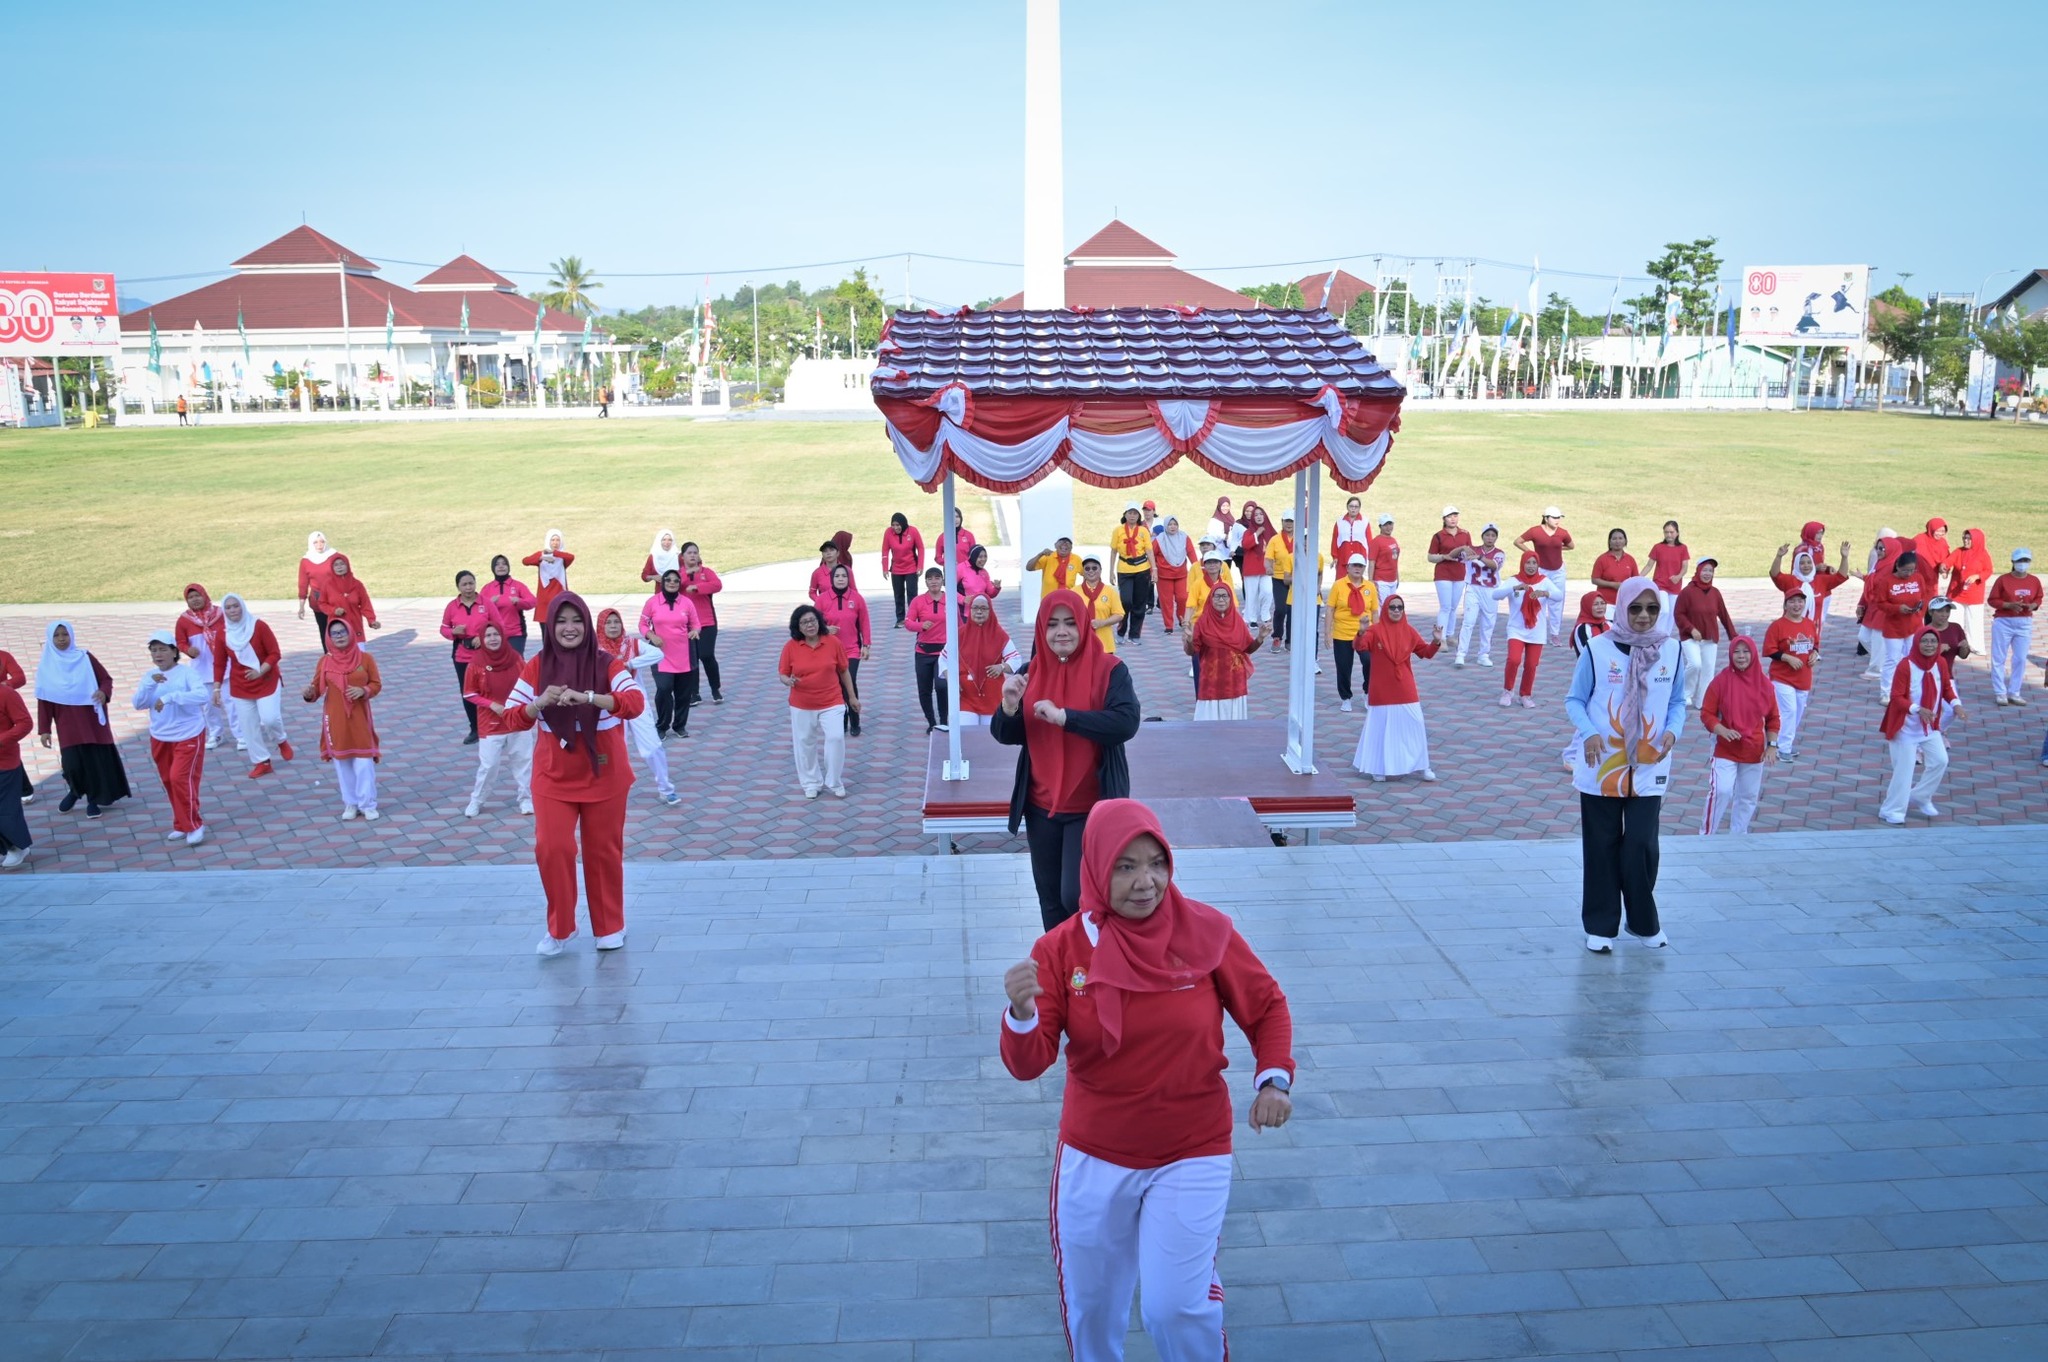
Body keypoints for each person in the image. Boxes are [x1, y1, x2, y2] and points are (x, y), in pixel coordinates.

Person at [998, 800, 1293, 1362]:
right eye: (1125, 866)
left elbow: (1266, 1006)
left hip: (1192, 1148)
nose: (1146, 881)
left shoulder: (1207, 931)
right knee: (1092, 1308)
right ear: (1095, 868)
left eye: (1156, 863)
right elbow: (1029, 1063)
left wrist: (1273, 1080)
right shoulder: (1060, 950)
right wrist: (1021, 1015)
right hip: (1094, 1153)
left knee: (1174, 1307)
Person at [504, 593, 647, 954]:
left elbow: (634, 703)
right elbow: (510, 716)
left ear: (588, 625)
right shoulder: (536, 666)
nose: (570, 628)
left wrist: (589, 698)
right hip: (553, 777)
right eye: (562, 621)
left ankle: (610, 926)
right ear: (550, 626)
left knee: (602, 851)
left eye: (577, 621)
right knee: (552, 847)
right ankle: (561, 928)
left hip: (605, 774)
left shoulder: (608, 664)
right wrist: (539, 703)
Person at [991, 589, 1142, 931]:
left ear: (1085, 626)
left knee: (1076, 895)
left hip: (1091, 806)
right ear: (1041, 630)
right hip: (1041, 806)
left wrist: (1066, 719)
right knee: (1049, 898)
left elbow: (1126, 722)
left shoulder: (1110, 670)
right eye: (1053, 624)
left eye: (1071, 623)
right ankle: (1062, 972)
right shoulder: (1030, 671)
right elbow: (1006, 734)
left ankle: (1092, 966)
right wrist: (1010, 705)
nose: (1062, 631)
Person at [1566, 578, 1686, 952]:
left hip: (1650, 762)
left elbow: (1678, 702)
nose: (1643, 616)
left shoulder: (1673, 651)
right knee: (1601, 845)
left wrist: (1673, 731)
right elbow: (1574, 700)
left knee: (1641, 844)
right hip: (1603, 763)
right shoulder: (1596, 650)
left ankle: (1643, 922)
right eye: (1635, 608)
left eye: (1651, 609)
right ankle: (1601, 926)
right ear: (1622, 608)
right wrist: (1588, 732)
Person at [34, 621, 130, 818]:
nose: (62, 639)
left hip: (91, 720)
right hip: (67, 724)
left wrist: (103, 692)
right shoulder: (47, 666)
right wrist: (45, 729)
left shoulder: (84, 658)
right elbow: (44, 699)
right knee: (72, 764)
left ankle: (92, 800)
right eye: (57, 635)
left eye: (65, 634)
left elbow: (106, 679)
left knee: (94, 761)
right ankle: (75, 791)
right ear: (50, 639)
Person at [133, 630, 212, 846]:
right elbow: (138, 703)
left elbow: (202, 696)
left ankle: (194, 825)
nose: (158, 654)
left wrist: (171, 697)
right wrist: (151, 684)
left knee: (180, 778)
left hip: (188, 734)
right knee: (169, 781)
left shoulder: (187, 674)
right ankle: (181, 824)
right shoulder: (150, 676)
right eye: (154, 650)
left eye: (163, 649)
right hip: (160, 736)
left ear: (174, 651)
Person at [1351, 593, 1441, 782]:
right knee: (1381, 728)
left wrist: (1436, 641)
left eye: (1400, 607)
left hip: (1405, 687)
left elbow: (1425, 653)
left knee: (1415, 724)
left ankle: (1422, 766)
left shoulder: (1409, 630)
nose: (1396, 611)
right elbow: (1360, 647)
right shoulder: (1374, 630)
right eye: (1392, 607)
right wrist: (1361, 632)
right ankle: (1378, 767)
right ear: (1386, 609)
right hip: (1382, 688)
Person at [596, 608, 681, 806]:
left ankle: (665, 788)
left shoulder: (631, 644)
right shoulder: (594, 648)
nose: (613, 626)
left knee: (652, 747)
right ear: (601, 626)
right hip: (609, 704)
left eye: (616, 622)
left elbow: (657, 654)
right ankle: (613, 788)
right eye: (608, 623)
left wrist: (630, 663)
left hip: (635, 701)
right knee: (615, 748)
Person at [303, 616, 384, 820]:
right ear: (328, 637)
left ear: (350, 632)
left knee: (364, 761)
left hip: (360, 717)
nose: (339, 636)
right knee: (342, 761)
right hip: (336, 718)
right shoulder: (326, 661)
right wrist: (308, 693)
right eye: (334, 633)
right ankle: (351, 803)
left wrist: (363, 690)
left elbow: (376, 684)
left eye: (343, 632)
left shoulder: (365, 659)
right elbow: (316, 689)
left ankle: (368, 804)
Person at [1879, 627, 1961, 825]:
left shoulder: (1940, 662)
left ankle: (1921, 795)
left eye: (1933, 641)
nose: (1929, 645)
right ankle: (1891, 810)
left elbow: (1947, 689)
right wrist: (1917, 709)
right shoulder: (1905, 665)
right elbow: (1896, 697)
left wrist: (1957, 705)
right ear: (1917, 642)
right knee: (1904, 771)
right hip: (1905, 728)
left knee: (1940, 761)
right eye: (1925, 641)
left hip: (1929, 727)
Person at [1699, 635, 1778, 836]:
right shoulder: (1721, 681)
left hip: (1754, 751)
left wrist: (1772, 745)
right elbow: (1706, 713)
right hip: (1725, 749)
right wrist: (1721, 730)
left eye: (1745, 651)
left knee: (1748, 796)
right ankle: (1706, 835)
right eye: (1736, 651)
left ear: (1753, 654)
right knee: (1721, 791)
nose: (1741, 656)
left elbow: (1773, 717)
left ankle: (1738, 836)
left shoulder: (1765, 684)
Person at [779, 603, 858, 799]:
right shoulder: (791, 647)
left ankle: (834, 780)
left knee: (836, 737)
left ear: (819, 621)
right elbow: (783, 673)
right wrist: (788, 681)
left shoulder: (832, 642)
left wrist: (852, 697)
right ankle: (811, 782)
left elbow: (843, 670)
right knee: (805, 743)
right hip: (802, 704)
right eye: (804, 622)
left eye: (812, 620)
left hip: (832, 700)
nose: (809, 625)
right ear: (797, 627)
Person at [460, 620, 535, 818]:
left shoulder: (516, 658)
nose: (493, 639)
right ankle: (476, 800)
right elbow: (469, 693)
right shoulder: (476, 663)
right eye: (488, 636)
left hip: (517, 719)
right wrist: (492, 705)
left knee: (523, 760)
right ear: (482, 639)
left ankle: (526, 799)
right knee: (489, 765)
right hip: (490, 723)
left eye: (496, 635)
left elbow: (528, 683)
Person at [214, 594, 291, 777]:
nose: (233, 611)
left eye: (236, 606)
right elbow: (219, 662)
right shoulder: (222, 633)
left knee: (270, 718)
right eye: (228, 608)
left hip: (266, 680)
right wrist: (216, 688)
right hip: (241, 686)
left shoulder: (259, 626)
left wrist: (260, 671)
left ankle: (281, 740)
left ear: (242, 606)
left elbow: (274, 653)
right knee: (249, 726)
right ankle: (262, 761)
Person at [1185, 581, 1267, 720]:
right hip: (1211, 682)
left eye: (1225, 596)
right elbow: (1192, 652)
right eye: (1217, 596)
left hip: (1234, 682)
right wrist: (1189, 640)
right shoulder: (1203, 622)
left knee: (1234, 728)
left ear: (1231, 599)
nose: (1221, 600)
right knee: (1208, 727)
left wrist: (1260, 638)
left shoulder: (1238, 621)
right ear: (1211, 599)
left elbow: (1248, 648)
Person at [637, 568, 702, 739]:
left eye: (675, 580)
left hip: (685, 655)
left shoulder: (687, 603)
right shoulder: (652, 602)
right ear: (663, 583)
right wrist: (652, 635)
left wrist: (695, 631)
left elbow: (696, 623)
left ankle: (680, 725)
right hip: (660, 656)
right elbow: (642, 625)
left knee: (683, 694)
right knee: (664, 689)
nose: (672, 583)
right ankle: (662, 725)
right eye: (668, 580)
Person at [174, 584, 235, 750]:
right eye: (190, 597)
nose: (195, 600)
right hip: (202, 669)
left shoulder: (221, 614)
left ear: (205, 595)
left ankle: (241, 734)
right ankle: (216, 733)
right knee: (208, 705)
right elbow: (180, 641)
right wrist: (188, 650)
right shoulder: (184, 620)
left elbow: (234, 630)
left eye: (197, 595)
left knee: (232, 702)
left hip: (226, 666)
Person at [1494, 552, 1559, 708]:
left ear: (1538, 565)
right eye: (1528, 563)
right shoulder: (1514, 580)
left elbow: (1559, 595)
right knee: (1514, 660)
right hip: (1516, 630)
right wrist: (1514, 588)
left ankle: (1525, 695)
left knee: (1531, 664)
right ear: (1522, 564)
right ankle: (1508, 691)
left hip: (1536, 631)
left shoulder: (1544, 581)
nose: (1531, 566)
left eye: (1534, 563)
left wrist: (1545, 593)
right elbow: (1495, 595)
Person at [1762, 592, 1821, 763]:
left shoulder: (1809, 624)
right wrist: (1787, 658)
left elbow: (1815, 644)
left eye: (1800, 601)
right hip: (1782, 677)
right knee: (1789, 711)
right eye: (1792, 602)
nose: (1797, 605)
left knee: (1797, 713)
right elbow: (1769, 650)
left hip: (1803, 678)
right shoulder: (1778, 626)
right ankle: (1782, 748)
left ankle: (1782, 743)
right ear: (1786, 605)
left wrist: (1815, 654)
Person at [816, 563, 872, 736]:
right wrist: (825, 630)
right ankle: (842, 719)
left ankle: (855, 718)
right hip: (829, 651)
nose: (841, 579)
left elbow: (864, 622)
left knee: (850, 680)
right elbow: (813, 624)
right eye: (837, 576)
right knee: (837, 684)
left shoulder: (857, 598)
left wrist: (866, 645)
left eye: (844, 576)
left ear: (849, 579)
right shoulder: (822, 599)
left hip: (851, 649)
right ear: (832, 579)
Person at [1674, 558, 1736, 709]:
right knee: (1695, 664)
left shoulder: (1715, 593)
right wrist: (1691, 629)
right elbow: (1678, 614)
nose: (1707, 574)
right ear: (1698, 571)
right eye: (1705, 570)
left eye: (1710, 571)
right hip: (1690, 638)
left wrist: (1734, 637)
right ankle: (1685, 694)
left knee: (1708, 670)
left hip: (1710, 638)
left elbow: (1724, 615)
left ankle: (1703, 701)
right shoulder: (1687, 592)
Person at [1322, 553, 1379, 713]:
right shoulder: (1338, 585)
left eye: (1360, 566)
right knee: (1344, 667)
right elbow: (1330, 608)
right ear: (1347, 567)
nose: (1357, 569)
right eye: (1354, 565)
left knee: (1370, 662)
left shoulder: (1370, 587)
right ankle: (1346, 697)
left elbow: (1374, 612)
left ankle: (1367, 692)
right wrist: (1327, 633)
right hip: (1342, 633)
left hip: (1364, 634)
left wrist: (1378, 633)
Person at [440, 570, 493, 743]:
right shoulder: (452, 607)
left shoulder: (486, 603)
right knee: (468, 693)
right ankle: (475, 728)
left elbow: (499, 624)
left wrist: (484, 637)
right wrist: (453, 632)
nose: (468, 587)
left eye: (471, 583)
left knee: (488, 689)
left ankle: (491, 725)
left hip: (484, 655)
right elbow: (443, 628)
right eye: (464, 584)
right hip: (462, 656)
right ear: (458, 587)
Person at [1770, 541, 1855, 642]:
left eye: (1809, 562)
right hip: (1790, 630)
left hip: (1812, 632)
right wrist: (1778, 557)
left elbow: (1841, 576)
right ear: (1796, 565)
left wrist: (1844, 558)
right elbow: (1775, 574)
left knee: (1811, 656)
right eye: (1802, 563)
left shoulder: (1821, 581)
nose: (1806, 565)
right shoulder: (1789, 581)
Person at [955, 593, 1020, 726]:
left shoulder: (999, 634)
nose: (979, 611)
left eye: (984, 608)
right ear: (970, 610)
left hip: (992, 696)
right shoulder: (959, 634)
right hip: (966, 696)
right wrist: (952, 680)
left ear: (990, 611)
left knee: (990, 736)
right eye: (975, 608)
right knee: (966, 733)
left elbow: (1015, 659)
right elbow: (944, 660)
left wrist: (1001, 667)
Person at [1869, 551, 1929, 690]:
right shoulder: (1887, 581)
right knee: (1892, 659)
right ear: (1898, 566)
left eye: (1912, 570)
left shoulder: (1918, 578)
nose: (1909, 574)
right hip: (1894, 628)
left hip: (1914, 626)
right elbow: (1880, 603)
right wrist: (1897, 608)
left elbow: (1924, 597)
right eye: (1905, 570)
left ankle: (1911, 688)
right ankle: (1886, 691)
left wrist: (1920, 611)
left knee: (1913, 658)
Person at [1988, 548, 2040, 706]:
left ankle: (2015, 692)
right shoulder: (2003, 580)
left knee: (2020, 658)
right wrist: (2008, 605)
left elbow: (2038, 598)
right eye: (2019, 561)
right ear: (2012, 562)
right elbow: (1992, 600)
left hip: (2024, 623)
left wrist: (2033, 605)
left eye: (2025, 561)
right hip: (2004, 621)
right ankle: (2000, 692)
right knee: (1999, 657)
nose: (2022, 564)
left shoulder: (2034, 581)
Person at [1515, 507, 1574, 642]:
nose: (1557, 520)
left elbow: (1571, 546)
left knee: (1557, 600)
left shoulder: (1563, 533)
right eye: (1554, 518)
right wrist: (1531, 554)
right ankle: (1534, 629)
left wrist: (1558, 547)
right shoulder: (1535, 531)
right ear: (1546, 518)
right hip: (1541, 569)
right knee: (1536, 599)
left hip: (1558, 571)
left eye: (1559, 518)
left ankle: (1555, 633)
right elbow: (1518, 541)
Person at [904, 567, 951, 732]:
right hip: (923, 653)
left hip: (944, 654)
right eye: (930, 578)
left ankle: (944, 721)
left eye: (937, 578)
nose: (934, 581)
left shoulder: (950, 598)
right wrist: (920, 625)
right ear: (925, 582)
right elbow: (908, 622)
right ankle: (931, 722)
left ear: (942, 580)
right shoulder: (918, 601)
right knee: (924, 690)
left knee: (942, 686)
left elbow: (961, 617)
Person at [678, 542, 725, 705]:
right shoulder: (678, 574)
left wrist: (697, 587)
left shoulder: (707, 572)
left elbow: (717, 585)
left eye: (695, 553)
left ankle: (715, 689)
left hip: (707, 622)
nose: (692, 555)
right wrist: (687, 574)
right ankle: (694, 693)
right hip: (687, 624)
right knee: (692, 658)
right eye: (689, 553)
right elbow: (673, 586)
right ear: (682, 556)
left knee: (706, 655)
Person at [1455, 523, 1506, 667]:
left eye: (1493, 535)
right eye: (1487, 535)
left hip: (1490, 591)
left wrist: (1479, 557)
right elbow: (1456, 557)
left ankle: (1483, 654)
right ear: (1482, 536)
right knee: (1468, 622)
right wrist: (1462, 549)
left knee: (1488, 624)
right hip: (1473, 588)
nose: (1490, 538)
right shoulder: (1473, 550)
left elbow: (1494, 566)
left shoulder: (1499, 553)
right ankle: (1461, 654)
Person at [307, 554, 379, 649]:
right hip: (337, 626)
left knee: (359, 656)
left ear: (347, 565)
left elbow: (366, 604)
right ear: (332, 568)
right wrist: (334, 610)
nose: (339, 567)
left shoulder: (357, 585)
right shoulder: (327, 585)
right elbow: (322, 603)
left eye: (342, 564)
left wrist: (371, 620)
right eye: (336, 565)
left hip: (355, 625)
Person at [1945, 528, 1994, 654]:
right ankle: (1954, 644)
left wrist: (1977, 576)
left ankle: (1975, 646)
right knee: (1954, 620)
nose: (1966, 541)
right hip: (1956, 593)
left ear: (1976, 540)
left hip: (1974, 594)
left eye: (1969, 538)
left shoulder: (1983, 554)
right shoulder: (1958, 551)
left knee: (1975, 621)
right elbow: (1948, 562)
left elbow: (1988, 570)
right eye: (1964, 538)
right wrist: (1944, 567)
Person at [1427, 505, 1473, 640]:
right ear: (1444, 519)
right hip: (1443, 574)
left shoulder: (1465, 534)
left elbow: (1470, 552)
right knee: (1445, 607)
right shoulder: (1439, 536)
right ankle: (1441, 638)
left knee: (1454, 606)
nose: (1453, 519)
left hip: (1459, 573)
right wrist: (1443, 557)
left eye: (1455, 516)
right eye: (1449, 516)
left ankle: (1450, 634)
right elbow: (1430, 556)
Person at [1113, 503, 1156, 640]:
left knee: (1139, 603)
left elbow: (1149, 550)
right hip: (1124, 569)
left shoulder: (1143, 531)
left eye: (1135, 513)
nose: (1132, 516)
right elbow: (1113, 551)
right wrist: (1110, 571)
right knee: (1125, 601)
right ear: (1125, 514)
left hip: (1142, 568)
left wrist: (1153, 569)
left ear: (1139, 516)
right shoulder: (1118, 530)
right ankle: (1121, 630)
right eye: (1130, 513)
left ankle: (1135, 634)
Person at [0, 677, 31, 868]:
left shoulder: (6, 694)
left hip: (4, 762)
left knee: (5, 810)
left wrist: (1, 740)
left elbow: (25, 723)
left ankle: (16, 847)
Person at [480, 555, 537, 656]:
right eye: (497, 564)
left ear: (508, 567)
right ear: (493, 568)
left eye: (504, 564)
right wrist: (489, 604)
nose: (501, 566)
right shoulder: (487, 588)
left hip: (516, 633)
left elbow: (533, 601)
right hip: (494, 634)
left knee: (516, 663)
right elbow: (479, 611)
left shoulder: (518, 585)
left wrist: (519, 602)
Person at [1234, 501, 1275, 629]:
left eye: (1260, 514)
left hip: (1266, 568)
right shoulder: (1249, 532)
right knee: (1252, 594)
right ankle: (1251, 618)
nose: (1258, 517)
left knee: (1267, 591)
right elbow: (1246, 545)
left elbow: (1276, 546)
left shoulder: (1271, 531)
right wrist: (1257, 533)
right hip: (1251, 567)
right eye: (1255, 515)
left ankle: (1265, 614)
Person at [882, 512, 925, 625]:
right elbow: (885, 550)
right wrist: (885, 568)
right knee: (898, 594)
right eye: (893, 525)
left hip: (911, 568)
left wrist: (920, 566)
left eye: (898, 525)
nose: (896, 528)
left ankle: (912, 618)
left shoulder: (913, 531)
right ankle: (900, 619)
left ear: (903, 524)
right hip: (896, 569)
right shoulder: (888, 533)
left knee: (912, 594)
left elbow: (921, 548)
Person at [1152, 516, 1193, 634]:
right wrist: (1153, 570)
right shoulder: (1159, 540)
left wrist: (1197, 568)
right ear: (1165, 526)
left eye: (1175, 524)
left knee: (1183, 598)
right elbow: (1151, 555)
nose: (1173, 527)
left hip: (1181, 574)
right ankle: (1168, 625)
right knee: (1166, 602)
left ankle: (1181, 619)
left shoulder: (1184, 537)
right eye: (1170, 524)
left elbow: (1191, 553)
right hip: (1164, 576)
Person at [522, 530, 574, 621]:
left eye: (558, 540)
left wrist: (553, 553)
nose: (555, 543)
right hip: (544, 600)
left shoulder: (562, 557)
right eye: (552, 540)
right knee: (545, 632)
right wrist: (542, 557)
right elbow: (525, 561)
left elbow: (571, 557)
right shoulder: (541, 555)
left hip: (560, 598)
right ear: (548, 541)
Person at [1078, 556, 1125, 654]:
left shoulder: (1110, 591)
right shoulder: (1074, 592)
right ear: (1083, 572)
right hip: (1080, 643)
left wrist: (1102, 623)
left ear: (1100, 570)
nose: (1091, 571)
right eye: (1087, 568)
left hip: (1104, 643)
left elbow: (1119, 614)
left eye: (1094, 568)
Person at [1645, 521, 1689, 614]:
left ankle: (1666, 629)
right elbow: (1649, 565)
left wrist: (1678, 576)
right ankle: (1659, 629)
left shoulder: (1683, 548)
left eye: (1671, 532)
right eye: (1666, 532)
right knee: (1664, 611)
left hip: (1675, 585)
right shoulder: (1658, 547)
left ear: (1677, 533)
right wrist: (1638, 577)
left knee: (1672, 613)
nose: (1669, 535)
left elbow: (1685, 567)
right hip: (1660, 584)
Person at [1589, 528, 1639, 608]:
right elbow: (1594, 579)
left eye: (1620, 538)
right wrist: (1612, 585)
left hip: (1625, 601)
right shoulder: (1602, 559)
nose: (1617, 541)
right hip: (1606, 602)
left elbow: (1636, 580)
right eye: (1614, 539)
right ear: (1609, 542)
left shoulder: (1630, 559)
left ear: (1625, 541)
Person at [1911, 517, 1951, 597]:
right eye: (1938, 531)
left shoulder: (1942, 542)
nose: (1940, 534)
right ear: (1931, 529)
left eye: (1943, 531)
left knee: (1931, 599)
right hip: (1918, 577)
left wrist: (1944, 570)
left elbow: (1946, 559)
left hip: (1933, 579)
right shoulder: (1919, 540)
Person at [957, 544, 1002, 616]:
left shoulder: (984, 572)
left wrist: (996, 588)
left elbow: (990, 594)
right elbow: (950, 589)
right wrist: (962, 599)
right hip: (965, 614)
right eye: (980, 557)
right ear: (974, 557)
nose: (983, 559)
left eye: (985, 556)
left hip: (981, 613)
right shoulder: (960, 568)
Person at [1330, 494, 1371, 568]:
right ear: (1347, 507)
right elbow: (1335, 540)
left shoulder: (1365, 522)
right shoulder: (1339, 521)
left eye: (1356, 507)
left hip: (1359, 561)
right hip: (1343, 560)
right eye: (1351, 506)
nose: (1353, 509)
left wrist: (1370, 559)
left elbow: (1369, 541)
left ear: (1359, 508)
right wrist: (1335, 557)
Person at [1927, 598, 1970, 665]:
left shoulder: (1956, 628)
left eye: (1947, 611)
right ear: (1930, 612)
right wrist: (1938, 651)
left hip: (1948, 674)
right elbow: (1920, 660)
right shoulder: (1924, 632)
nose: (1944, 614)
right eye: (1940, 611)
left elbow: (1963, 656)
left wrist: (1964, 647)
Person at [1367, 513, 1401, 600]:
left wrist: (1397, 577)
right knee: (1382, 607)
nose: (1388, 527)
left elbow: (1395, 561)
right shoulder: (1376, 541)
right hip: (1381, 581)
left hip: (1392, 580)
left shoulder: (1393, 540)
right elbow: (1372, 562)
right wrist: (1370, 581)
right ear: (1380, 526)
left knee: (1391, 607)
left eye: (1390, 524)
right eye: (1385, 525)